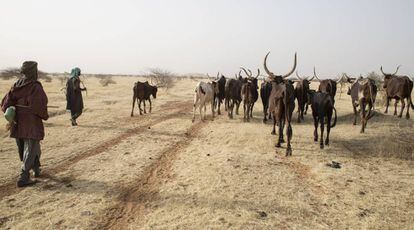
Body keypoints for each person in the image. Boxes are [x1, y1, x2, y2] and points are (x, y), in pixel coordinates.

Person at [1, 61, 49, 187]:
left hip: (18, 122)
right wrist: (45, 115)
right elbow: (39, 105)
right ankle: (24, 176)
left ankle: (36, 169)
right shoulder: (35, 86)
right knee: (31, 147)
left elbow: (5, 103)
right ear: (34, 71)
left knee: (27, 147)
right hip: (31, 122)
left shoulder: (16, 85)